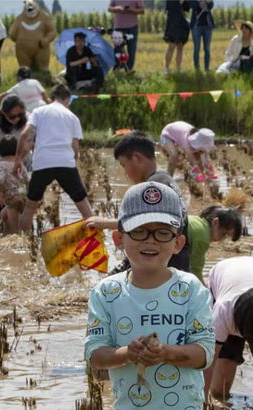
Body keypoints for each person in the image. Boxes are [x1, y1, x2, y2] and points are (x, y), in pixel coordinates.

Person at [85, 181, 214, 410]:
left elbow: (204, 353)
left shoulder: (191, 289)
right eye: (140, 231)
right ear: (119, 239)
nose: (151, 241)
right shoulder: (107, 292)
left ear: (179, 241)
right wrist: (128, 353)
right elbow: (95, 354)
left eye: (162, 232)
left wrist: (167, 353)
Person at [86, 131, 191, 272]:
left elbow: (150, 223)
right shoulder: (164, 180)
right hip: (170, 259)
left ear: (136, 158)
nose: (125, 173)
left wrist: (103, 223)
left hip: (161, 263)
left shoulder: (154, 187)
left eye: (124, 165)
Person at [15, 84, 94, 232]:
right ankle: (96, 237)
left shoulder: (39, 111)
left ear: (51, 98)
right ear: (68, 100)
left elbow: (24, 134)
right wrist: (73, 164)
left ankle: (23, 242)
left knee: (30, 206)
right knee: (83, 205)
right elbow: (75, 147)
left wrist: (18, 159)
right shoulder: (72, 117)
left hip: (42, 163)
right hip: (65, 163)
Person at [204, 257, 253, 400]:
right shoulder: (223, 311)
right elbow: (208, 361)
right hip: (224, 272)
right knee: (221, 389)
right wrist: (203, 401)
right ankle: (218, 398)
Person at [187, 206, 242, 283]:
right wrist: (206, 291)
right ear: (215, 222)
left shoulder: (196, 221)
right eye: (224, 234)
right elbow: (195, 271)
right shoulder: (202, 237)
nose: (223, 239)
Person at [0, 136, 29, 234]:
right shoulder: (21, 164)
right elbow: (27, 180)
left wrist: (0, 197)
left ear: (0, 150)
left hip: (12, 199)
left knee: (15, 229)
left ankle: (15, 242)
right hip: (23, 197)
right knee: (3, 215)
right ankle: (6, 235)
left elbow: (1, 181)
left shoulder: (1, 165)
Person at [108, 0, 144, 71]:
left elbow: (142, 10)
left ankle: (129, 69)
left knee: (131, 49)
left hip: (132, 27)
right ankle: (117, 67)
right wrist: (117, 8)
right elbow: (109, 8)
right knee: (117, 49)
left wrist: (132, 10)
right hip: (119, 27)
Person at [164, 0, 190, 73]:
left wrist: (184, 2)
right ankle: (166, 68)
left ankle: (178, 68)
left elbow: (187, 9)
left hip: (182, 23)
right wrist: (180, 2)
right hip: (172, 23)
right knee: (171, 46)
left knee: (180, 47)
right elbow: (169, 7)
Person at [189, 0, 215, 71]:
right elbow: (190, 5)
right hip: (196, 27)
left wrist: (206, 1)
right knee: (196, 48)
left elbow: (211, 5)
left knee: (207, 48)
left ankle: (207, 68)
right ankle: (197, 69)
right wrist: (199, 2)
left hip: (207, 26)